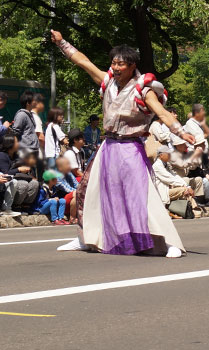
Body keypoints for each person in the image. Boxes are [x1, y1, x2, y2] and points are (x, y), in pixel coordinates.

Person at [51, 29, 194, 257]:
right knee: (88, 192)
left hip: (131, 148)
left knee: (142, 195)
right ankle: (85, 239)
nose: (116, 68)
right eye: (114, 63)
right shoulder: (108, 82)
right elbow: (84, 62)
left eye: (121, 64)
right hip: (108, 148)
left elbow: (162, 113)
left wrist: (180, 131)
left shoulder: (143, 89)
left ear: (132, 66)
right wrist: (62, 43)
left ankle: (169, 242)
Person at [152, 145, 194, 215]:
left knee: (186, 188)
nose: (170, 155)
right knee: (184, 190)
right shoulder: (157, 166)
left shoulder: (166, 164)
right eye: (168, 154)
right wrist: (186, 187)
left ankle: (188, 209)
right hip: (162, 192)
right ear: (161, 155)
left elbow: (175, 176)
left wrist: (187, 186)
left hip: (167, 190)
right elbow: (170, 179)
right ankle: (192, 209)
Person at [53, 157, 79, 224]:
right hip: (62, 202)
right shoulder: (56, 177)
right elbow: (68, 189)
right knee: (76, 193)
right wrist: (79, 191)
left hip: (71, 198)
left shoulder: (69, 173)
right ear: (60, 167)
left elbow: (77, 185)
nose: (70, 166)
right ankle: (72, 218)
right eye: (67, 164)